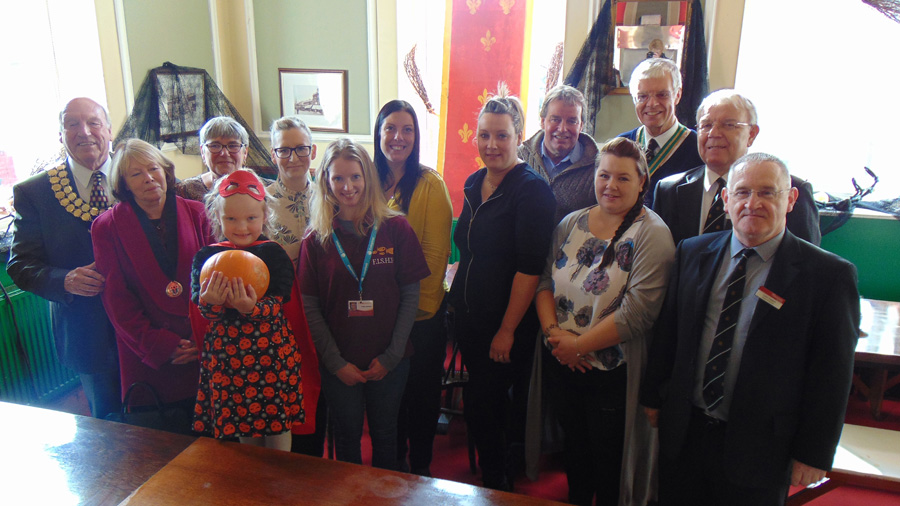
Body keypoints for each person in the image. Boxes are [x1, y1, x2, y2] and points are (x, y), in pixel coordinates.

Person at [640, 153, 860, 505]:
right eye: (742, 193)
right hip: (687, 432)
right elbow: (671, 332)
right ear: (726, 200)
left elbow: (831, 374)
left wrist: (814, 452)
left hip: (762, 446)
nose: (752, 203)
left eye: (767, 193)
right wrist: (653, 396)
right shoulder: (692, 252)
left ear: (789, 201)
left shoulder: (828, 276)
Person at [534, 138, 674, 506]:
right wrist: (555, 339)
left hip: (610, 372)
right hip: (563, 362)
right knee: (575, 455)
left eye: (623, 178)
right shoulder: (571, 223)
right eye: (604, 175)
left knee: (609, 464)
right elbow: (545, 282)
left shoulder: (652, 235)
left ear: (642, 182)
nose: (611, 185)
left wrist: (578, 345)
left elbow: (638, 312)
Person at [449, 83, 556, 490]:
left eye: (502, 135)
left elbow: (530, 270)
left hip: (506, 322)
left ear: (519, 138)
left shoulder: (532, 191)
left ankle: (498, 483)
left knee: (487, 404)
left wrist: (507, 330)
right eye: (485, 135)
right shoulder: (475, 183)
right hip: (471, 316)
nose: (491, 144)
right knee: (483, 400)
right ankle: (495, 473)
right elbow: (470, 251)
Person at [298, 138, 429, 469]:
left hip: (389, 360)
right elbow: (309, 306)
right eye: (338, 178)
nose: (348, 186)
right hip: (339, 362)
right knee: (346, 438)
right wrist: (334, 362)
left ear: (367, 178)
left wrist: (392, 356)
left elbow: (411, 295)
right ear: (325, 181)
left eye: (355, 177)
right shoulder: (316, 239)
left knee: (386, 437)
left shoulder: (396, 228)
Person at [7, 97, 120, 418]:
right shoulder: (35, 193)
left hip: (148, 325)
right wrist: (65, 280)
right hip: (87, 331)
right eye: (72, 124)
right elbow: (20, 265)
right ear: (61, 135)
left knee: (164, 420)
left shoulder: (142, 176)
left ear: (109, 130)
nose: (84, 132)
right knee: (108, 425)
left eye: (94, 122)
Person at [92, 139, 212, 421]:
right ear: (123, 184)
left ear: (165, 171)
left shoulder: (198, 213)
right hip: (148, 358)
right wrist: (162, 345)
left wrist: (203, 337)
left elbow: (214, 281)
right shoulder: (106, 227)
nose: (148, 178)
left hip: (201, 351)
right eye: (136, 174)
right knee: (158, 453)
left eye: (153, 168)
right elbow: (116, 301)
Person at [191, 169, 304, 451]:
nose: (242, 226)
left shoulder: (273, 253)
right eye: (231, 218)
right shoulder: (207, 256)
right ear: (218, 218)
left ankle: (280, 483)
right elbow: (200, 303)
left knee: (277, 423)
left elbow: (281, 297)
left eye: (251, 218)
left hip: (270, 357)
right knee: (243, 425)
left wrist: (253, 308)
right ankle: (253, 486)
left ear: (265, 217)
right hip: (229, 359)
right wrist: (212, 303)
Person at [373, 100, 453, 476]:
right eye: (390, 128)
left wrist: (403, 314)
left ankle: (420, 470)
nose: (398, 137)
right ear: (378, 133)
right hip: (374, 316)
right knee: (388, 402)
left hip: (421, 317)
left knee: (419, 400)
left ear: (416, 136)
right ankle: (391, 467)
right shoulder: (363, 179)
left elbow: (434, 260)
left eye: (407, 130)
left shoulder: (429, 184)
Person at [652, 90, 821, 246]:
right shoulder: (668, 190)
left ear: (752, 134)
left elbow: (806, 265)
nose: (714, 133)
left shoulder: (790, 190)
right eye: (706, 125)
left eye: (728, 125)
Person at [267, 115, 325, 457]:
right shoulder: (260, 201)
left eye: (300, 149)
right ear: (273, 154)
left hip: (323, 308)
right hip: (281, 314)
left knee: (320, 393)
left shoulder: (330, 195)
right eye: (284, 150)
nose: (292, 158)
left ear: (312, 150)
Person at [617, 58, 703, 207]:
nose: (652, 104)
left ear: (677, 95)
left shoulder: (698, 149)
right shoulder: (621, 146)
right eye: (642, 96)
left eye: (662, 95)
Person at [518, 84, 598, 223]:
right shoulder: (518, 157)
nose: (562, 129)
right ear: (543, 122)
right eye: (555, 119)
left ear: (581, 126)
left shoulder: (598, 168)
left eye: (572, 121)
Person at [176, 116, 251, 202]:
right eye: (215, 146)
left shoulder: (264, 189)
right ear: (203, 152)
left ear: (245, 152)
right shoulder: (184, 192)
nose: (224, 153)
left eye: (233, 146)